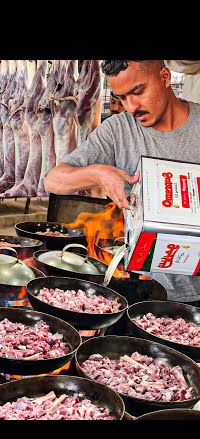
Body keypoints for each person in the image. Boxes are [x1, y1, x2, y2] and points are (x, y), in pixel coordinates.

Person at [44, 60, 200, 306]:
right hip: (139, 289)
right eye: (122, 97)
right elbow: (54, 181)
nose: (131, 107)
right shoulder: (118, 130)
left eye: (138, 92)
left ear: (165, 77)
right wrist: (97, 173)